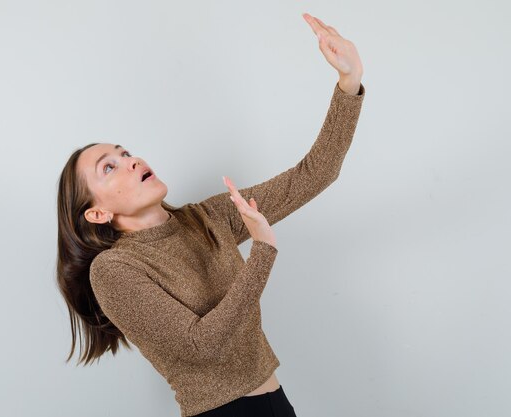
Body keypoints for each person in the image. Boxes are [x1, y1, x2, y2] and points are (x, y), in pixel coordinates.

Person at [55, 12, 365, 417]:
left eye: (125, 152)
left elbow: (315, 174)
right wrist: (263, 252)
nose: (130, 161)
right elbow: (201, 346)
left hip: (276, 402)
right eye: (109, 167)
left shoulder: (206, 218)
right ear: (97, 214)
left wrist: (349, 82)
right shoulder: (113, 271)